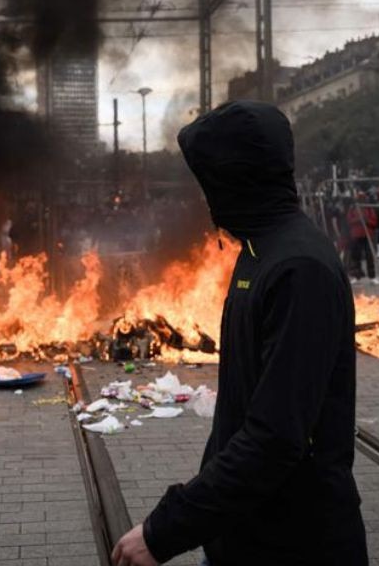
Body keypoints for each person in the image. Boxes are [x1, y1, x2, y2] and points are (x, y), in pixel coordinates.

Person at [112, 101, 366, 566]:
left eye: (209, 182)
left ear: (235, 180)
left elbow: (274, 438)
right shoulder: (259, 251)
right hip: (246, 534)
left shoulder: (297, 268)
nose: (206, 200)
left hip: (295, 546)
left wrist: (163, 530)